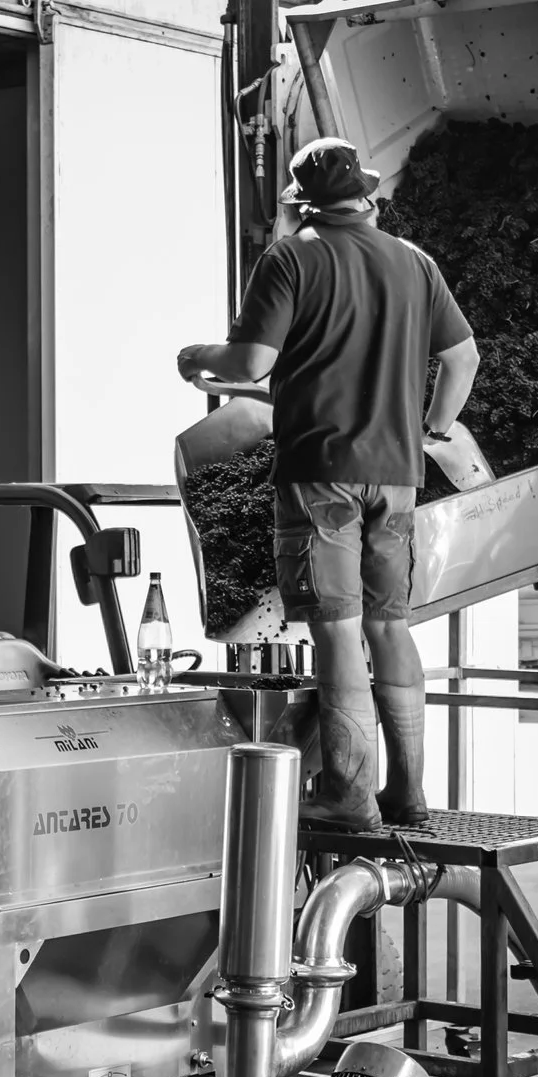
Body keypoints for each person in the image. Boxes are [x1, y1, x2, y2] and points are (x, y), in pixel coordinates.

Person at [176, 138, 480, 831]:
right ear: (368, 194)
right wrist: (430, 428)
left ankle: (349, 793)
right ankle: (408, 794)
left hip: (321, 477)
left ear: (302, 200)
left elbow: (251, 360)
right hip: (397, 480)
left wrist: (196, 360)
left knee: (338, 633)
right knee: (389, 626)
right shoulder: (417, 264)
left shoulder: (294, 256)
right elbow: (463, 358)